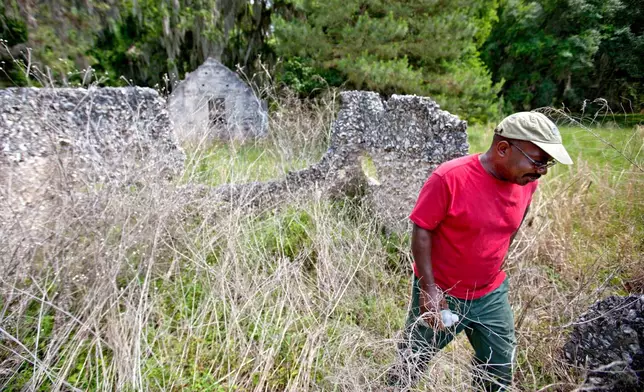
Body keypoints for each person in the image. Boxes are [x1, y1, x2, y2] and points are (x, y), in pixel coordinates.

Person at [389, 112, 573, 391]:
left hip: (490, 294)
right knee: (412, 361)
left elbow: (513, 223)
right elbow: (422, 229)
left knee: (498, 370)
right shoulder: (449, 177)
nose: (542, 170)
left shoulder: (527, 181)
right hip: (442, 292)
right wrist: (428, 289)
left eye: (548, 163)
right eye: (538, 160)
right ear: (503, 149)